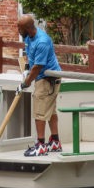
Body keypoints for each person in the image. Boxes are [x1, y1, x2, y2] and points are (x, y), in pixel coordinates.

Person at [17, 14, 62, 156]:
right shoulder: (28, 37)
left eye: (20, 27)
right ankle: (55, 142)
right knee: (51, 111)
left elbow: (38, 66)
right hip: (43, 77)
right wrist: (26, 71)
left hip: (47, 79)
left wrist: (25, 83)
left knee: (39, 113)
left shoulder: (42, 41)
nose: (18, 30)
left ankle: (41, 145)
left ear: (28, 28)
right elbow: (31, 58)